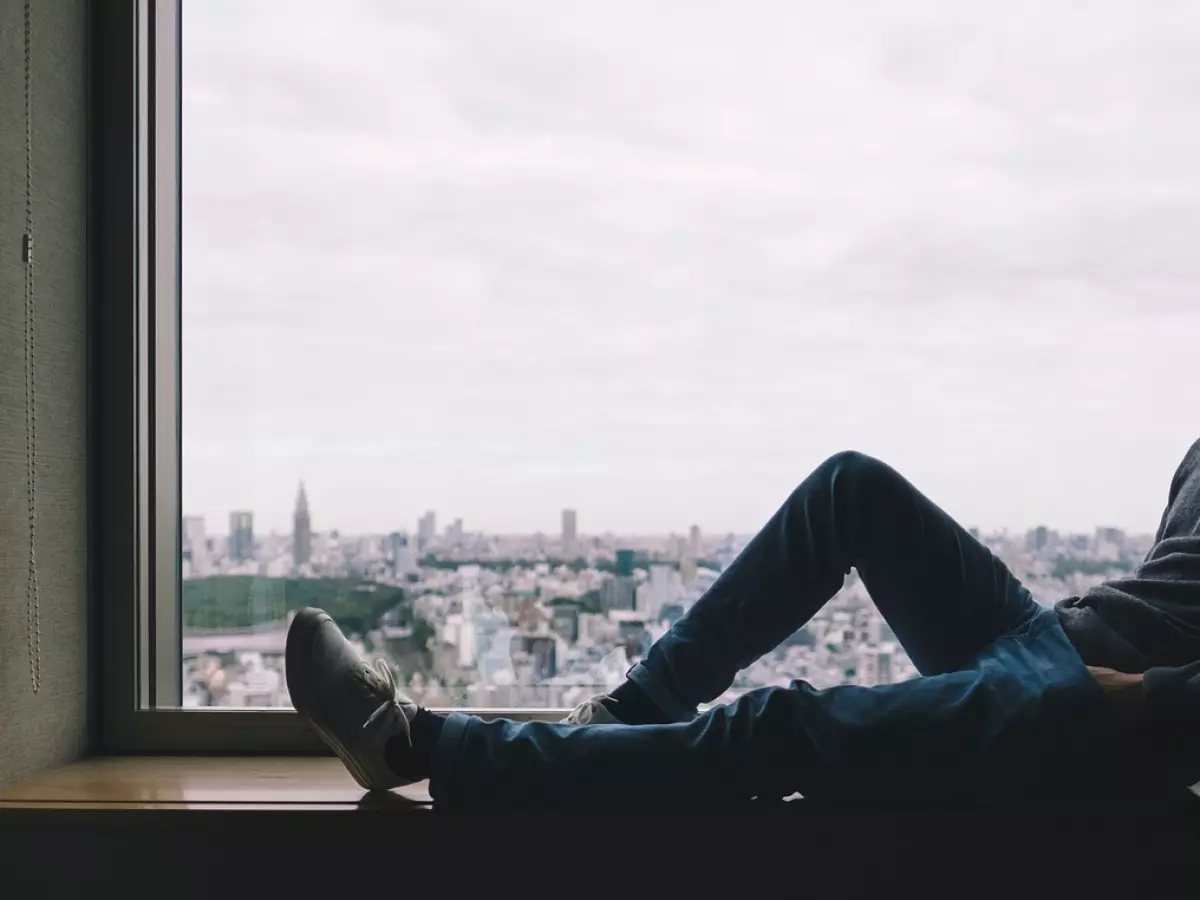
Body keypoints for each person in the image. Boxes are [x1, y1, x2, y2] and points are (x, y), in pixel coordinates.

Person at [285, 443, 1200, 807]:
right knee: (852, 488)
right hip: (1069, 641)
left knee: (785, 726)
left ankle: (423, 749)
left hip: (1107, 712)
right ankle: (629, 711)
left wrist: (1149, 703)